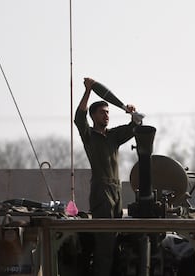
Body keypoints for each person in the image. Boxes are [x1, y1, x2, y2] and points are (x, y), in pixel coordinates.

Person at [74, 77, 139, 276]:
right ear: (94, 116)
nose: (106, 116)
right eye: (102, 113)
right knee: (104, 243)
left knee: (117, 239)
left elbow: (135, 127)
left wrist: (132, 113)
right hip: (101, 190)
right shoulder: (89, 135)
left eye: (108, 112)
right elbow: (79, 117)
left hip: (116, 190)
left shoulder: (112, 136)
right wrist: (88, 90)